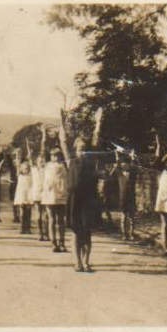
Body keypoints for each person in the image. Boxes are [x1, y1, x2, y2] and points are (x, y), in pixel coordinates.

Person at [61, 107, 103, 272]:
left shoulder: (91, 161)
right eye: (80, 149)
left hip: (89, 200)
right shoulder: (70, 161)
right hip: (74, 200)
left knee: (87, 233)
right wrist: (61, 121)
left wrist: (98, 122)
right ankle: (77, 261)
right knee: (76, 233)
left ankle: (86, 261)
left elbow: (96, 138)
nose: (83, 152)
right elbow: (63, 142)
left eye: (85, 149)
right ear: (75, 151)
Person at [41, 138, 68, 252]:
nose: (55, 157)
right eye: (53, 155)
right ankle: (53, 242)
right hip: (50, 195)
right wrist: (44, 136)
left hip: (61, 194)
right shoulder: (46, 165)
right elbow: (43, 151)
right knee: (51, 219)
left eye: (57, 155)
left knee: (61, 219)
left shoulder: (64, 165)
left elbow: (65, 147)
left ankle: (62, 241)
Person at [112, 147, 139, 241]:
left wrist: (132, 156)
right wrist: (116, 154)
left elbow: (135, 166)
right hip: (123, 198)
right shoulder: (119, 174)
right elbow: (118, 163)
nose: (125, 165)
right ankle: (124, 234)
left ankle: (131, 234)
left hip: (131, 198)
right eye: (124, 164)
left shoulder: (132, 174)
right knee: (123, 217)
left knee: (131, 217)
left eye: (126, 164)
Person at [27, 131, 49, 241]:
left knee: (47, 215)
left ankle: (47, 233)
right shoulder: (34, 169)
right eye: (39, 161)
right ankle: (40, 233)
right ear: (36, 162)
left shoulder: (47, 169)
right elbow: (30, 157)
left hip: (46, 193)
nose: (41, 162)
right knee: (39, 215)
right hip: (36, 194)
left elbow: (43, 150)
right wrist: (28, 145)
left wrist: (44, 135)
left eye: (43, 160)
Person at [13, 147, 34, 234]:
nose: (26, 170)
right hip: (21, 195)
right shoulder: (19, 175)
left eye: (27, 168)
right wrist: (18, 155)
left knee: (29, 212)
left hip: (29, 195)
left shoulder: (31, 175)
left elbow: (32, 164)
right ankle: (22, 227)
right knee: (22, 212)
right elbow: (17, 164)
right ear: (21, 169)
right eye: (24, 168)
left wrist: (30, 156)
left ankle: (28, 228)